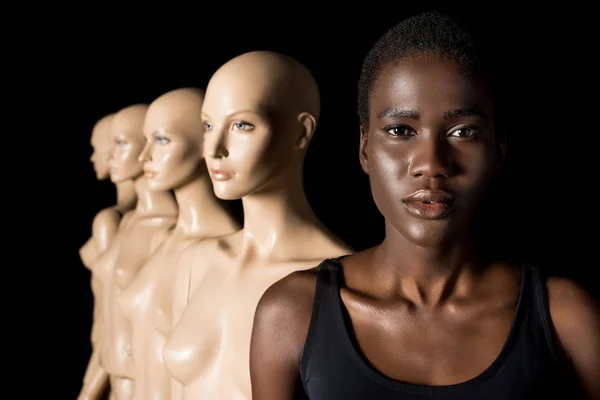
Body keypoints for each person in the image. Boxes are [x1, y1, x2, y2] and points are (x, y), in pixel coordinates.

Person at [249, 11, 600, 399]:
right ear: (364, 148)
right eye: (401, 131)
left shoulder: (565, 317)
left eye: (462, 132)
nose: (431, 164)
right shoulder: (291, 314)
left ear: (499, 150)